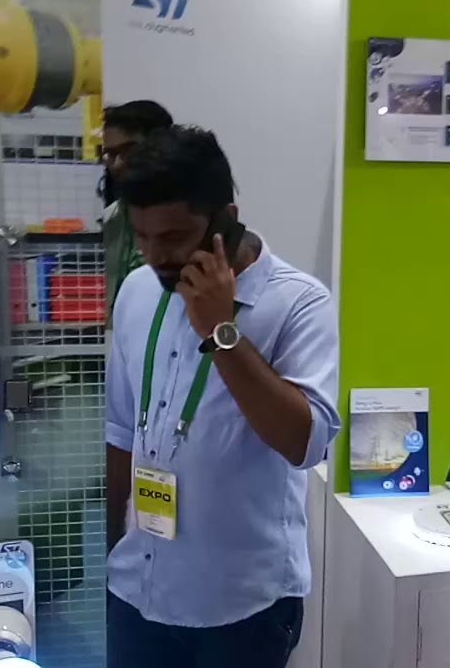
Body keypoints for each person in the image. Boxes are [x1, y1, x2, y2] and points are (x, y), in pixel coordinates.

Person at [104, 125, 340, 668]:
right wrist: (107, 548)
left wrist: (219, 331)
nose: (154, 255)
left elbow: (305, 443)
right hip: (137, 587)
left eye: (173, 237)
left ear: (226, 221)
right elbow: (121, 432)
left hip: (242, 606)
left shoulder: (299, 303)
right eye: (141, 236)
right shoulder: (138, 291)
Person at [101, 100, 174, 324]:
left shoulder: (191, 219)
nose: (117, 164)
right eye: (110, 155)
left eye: (128, 151)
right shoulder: (109, 221)